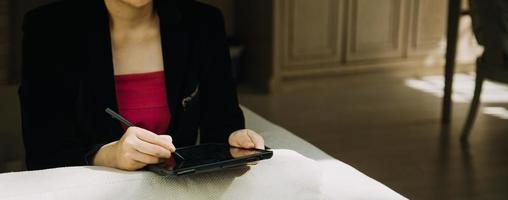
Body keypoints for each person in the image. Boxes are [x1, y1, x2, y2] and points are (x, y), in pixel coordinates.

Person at [19, 0, 265, 171]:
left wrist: (235, 140)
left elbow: (222, 123)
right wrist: (108, 156)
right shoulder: (48, 29)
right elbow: (43, 153)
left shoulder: (202, 23)